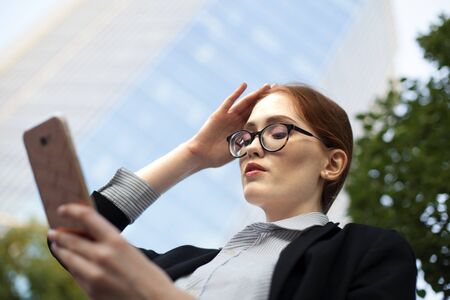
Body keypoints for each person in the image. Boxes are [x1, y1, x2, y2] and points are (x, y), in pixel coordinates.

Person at [47, 83, 417, 300]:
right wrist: (194, 155)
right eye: (247, 136)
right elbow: (73, 233)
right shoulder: (183, 262)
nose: (252, 147)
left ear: (332, 163)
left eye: (277, 132)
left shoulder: (365, 252)